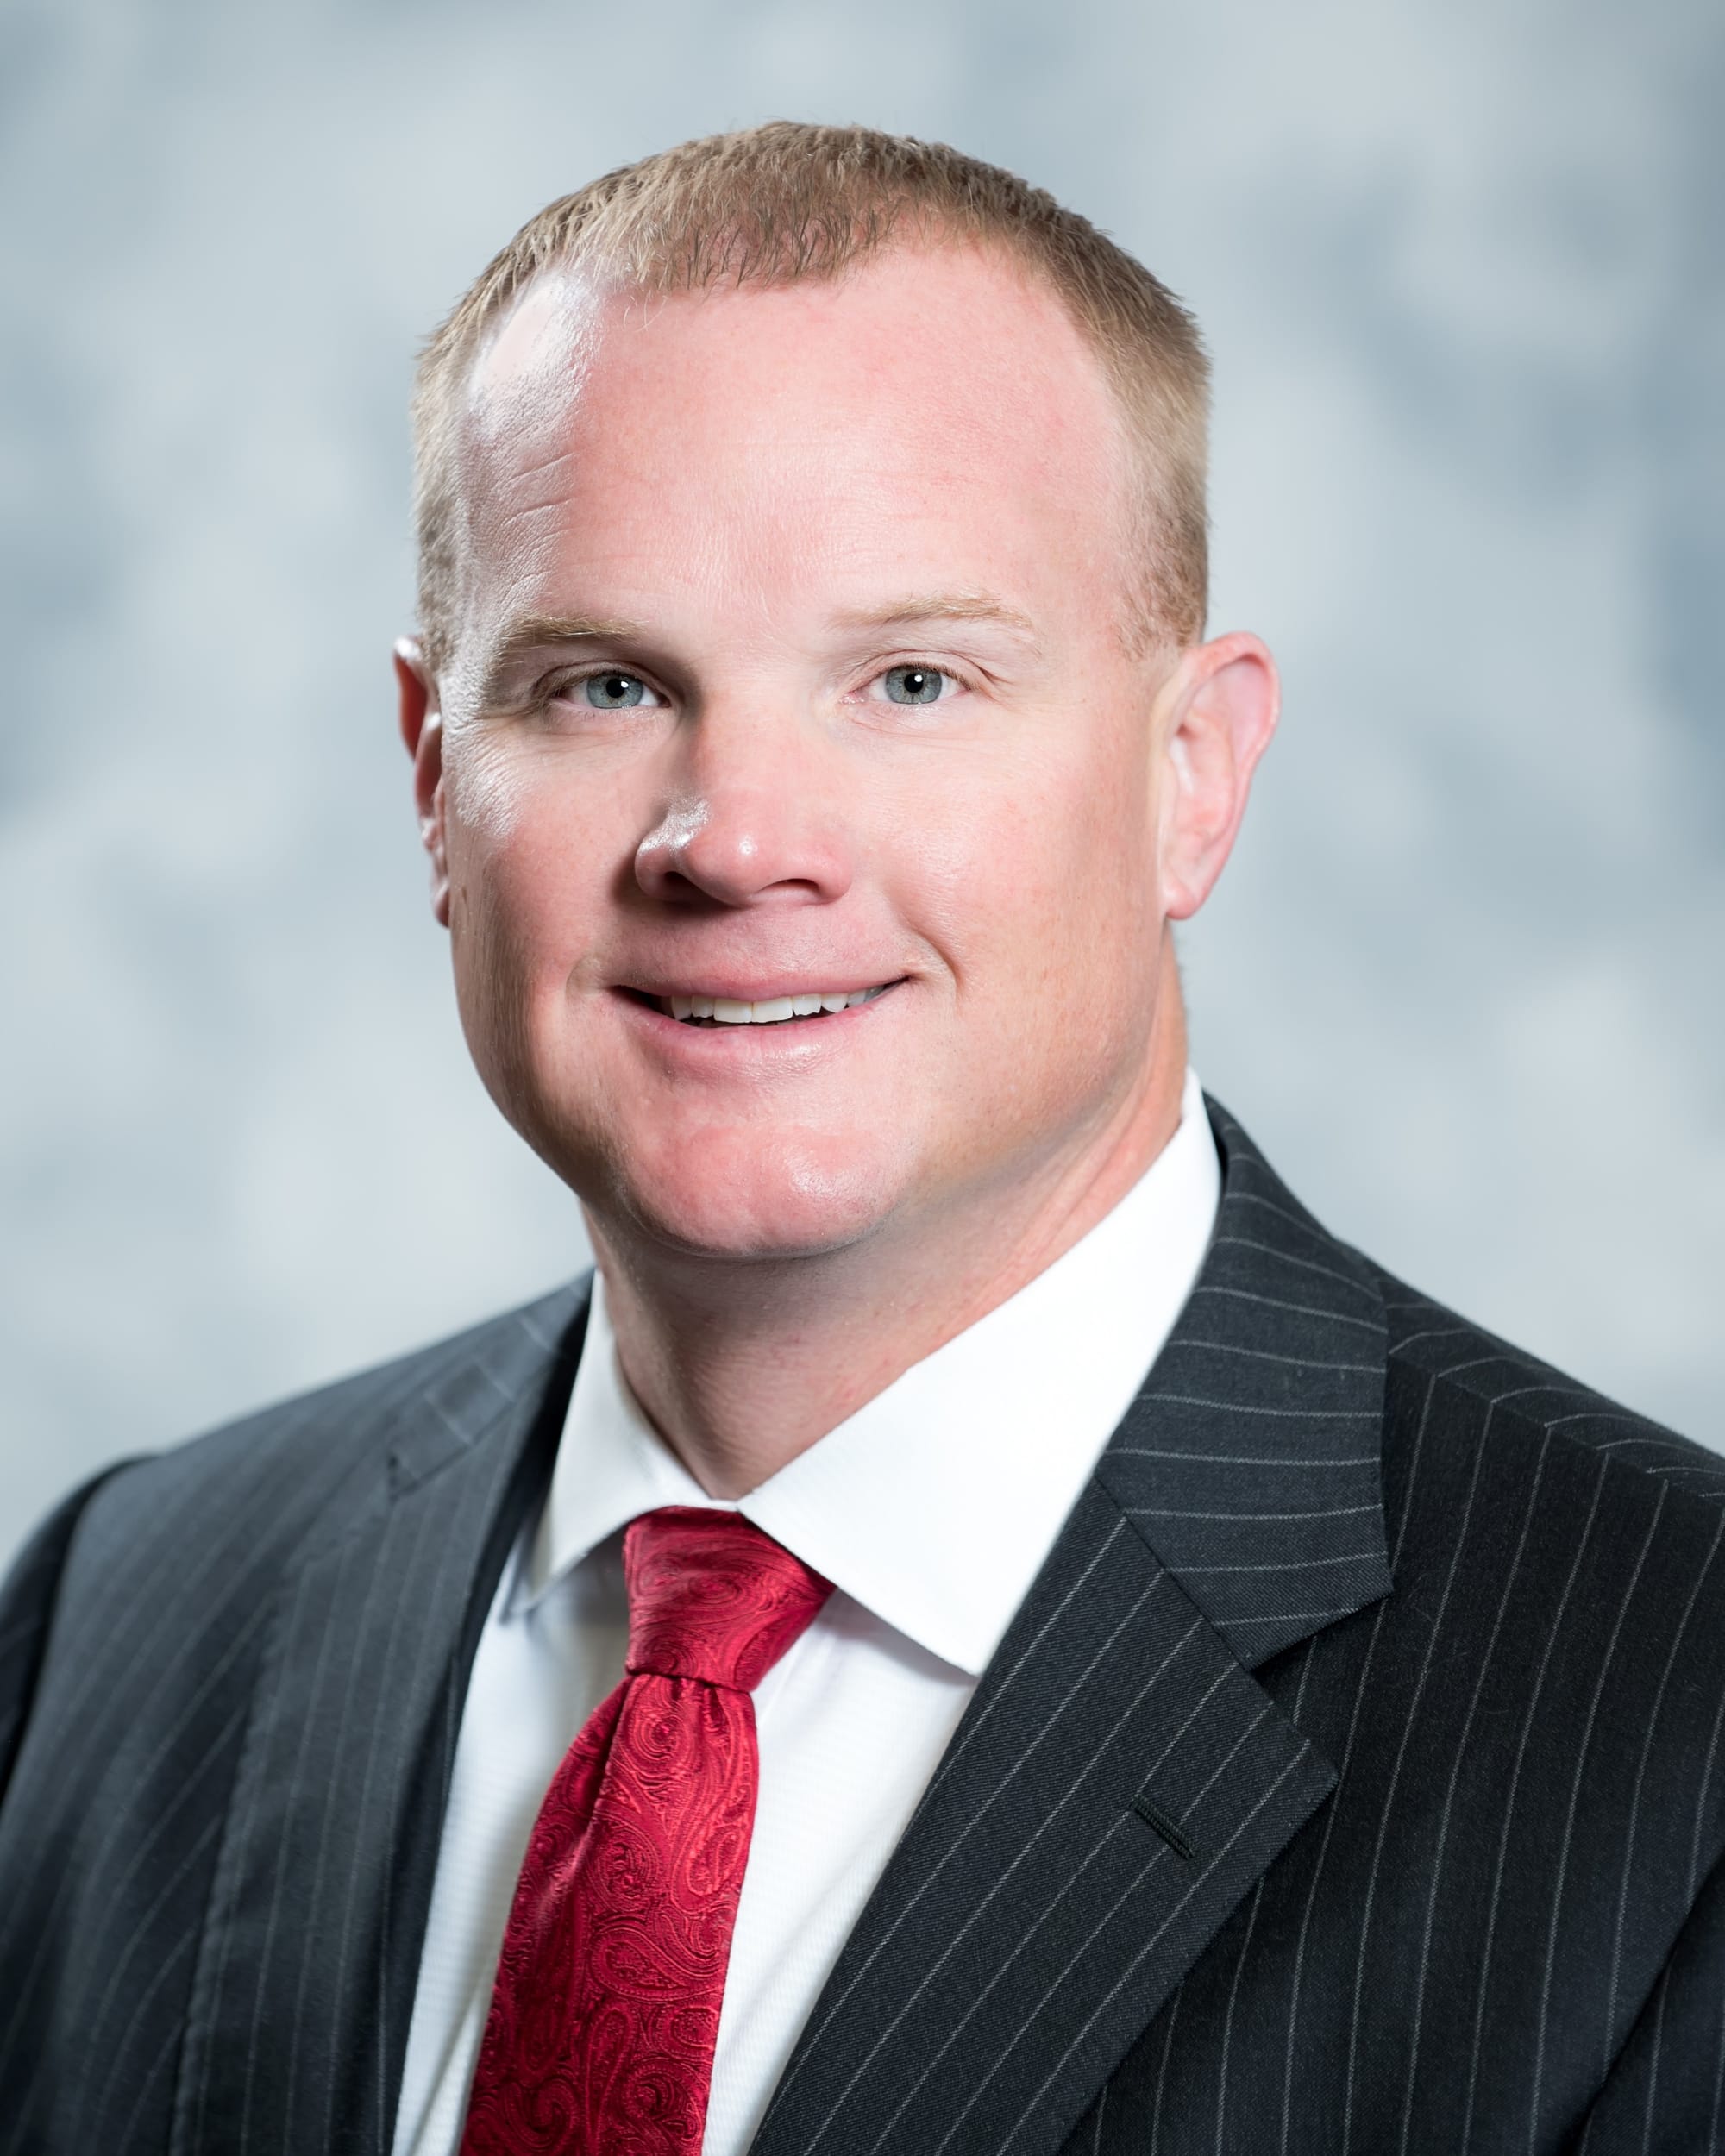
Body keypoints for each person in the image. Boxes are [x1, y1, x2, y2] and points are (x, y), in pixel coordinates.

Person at [1, 122, 1720, 2156]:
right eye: (604, 684)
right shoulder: (121, 1613)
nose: (734, 839)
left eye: (911, 678)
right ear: (433, 775)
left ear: (1190, 774)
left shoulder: (1669, 1720)